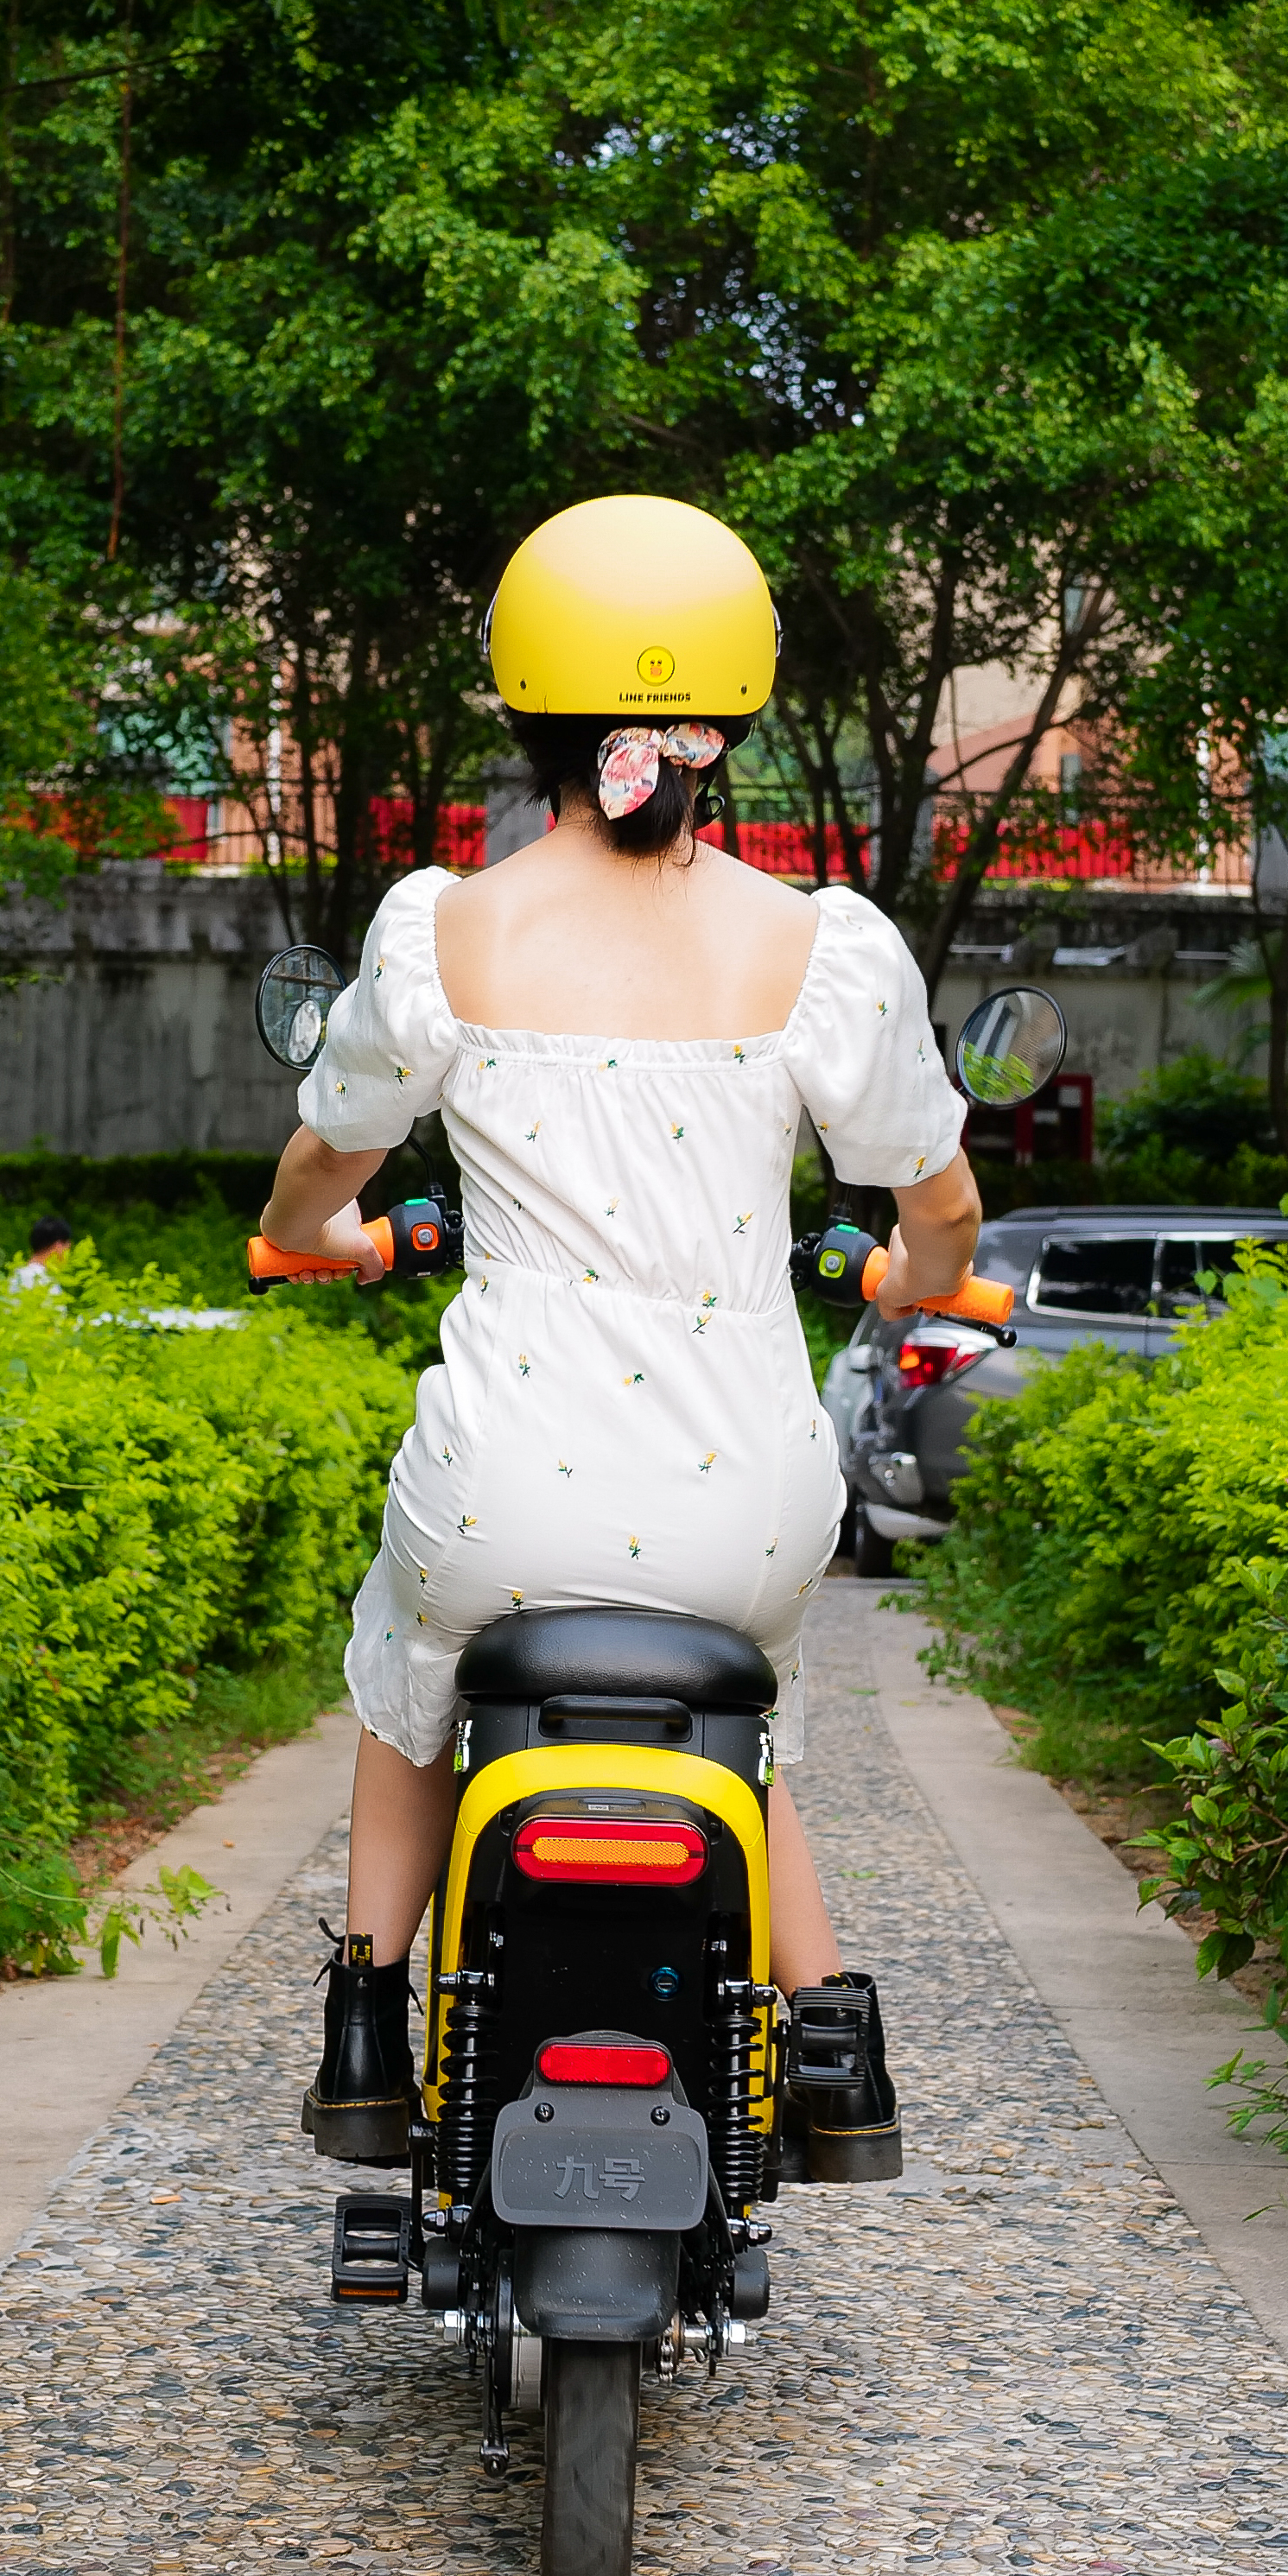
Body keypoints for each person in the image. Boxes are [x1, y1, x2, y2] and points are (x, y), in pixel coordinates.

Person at [257, 492, 980, 2171]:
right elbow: (935, 1204)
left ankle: (370, 2016)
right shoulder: (819, 950)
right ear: (729, 715)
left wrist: (320, 1235)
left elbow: (322, 1157)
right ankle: (835, 2041)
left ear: (525, 705)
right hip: (747, 1498)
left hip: (511, 1489)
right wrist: (914, 1276)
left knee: (403, 1654)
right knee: (754, 1706)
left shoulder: (449, 928)